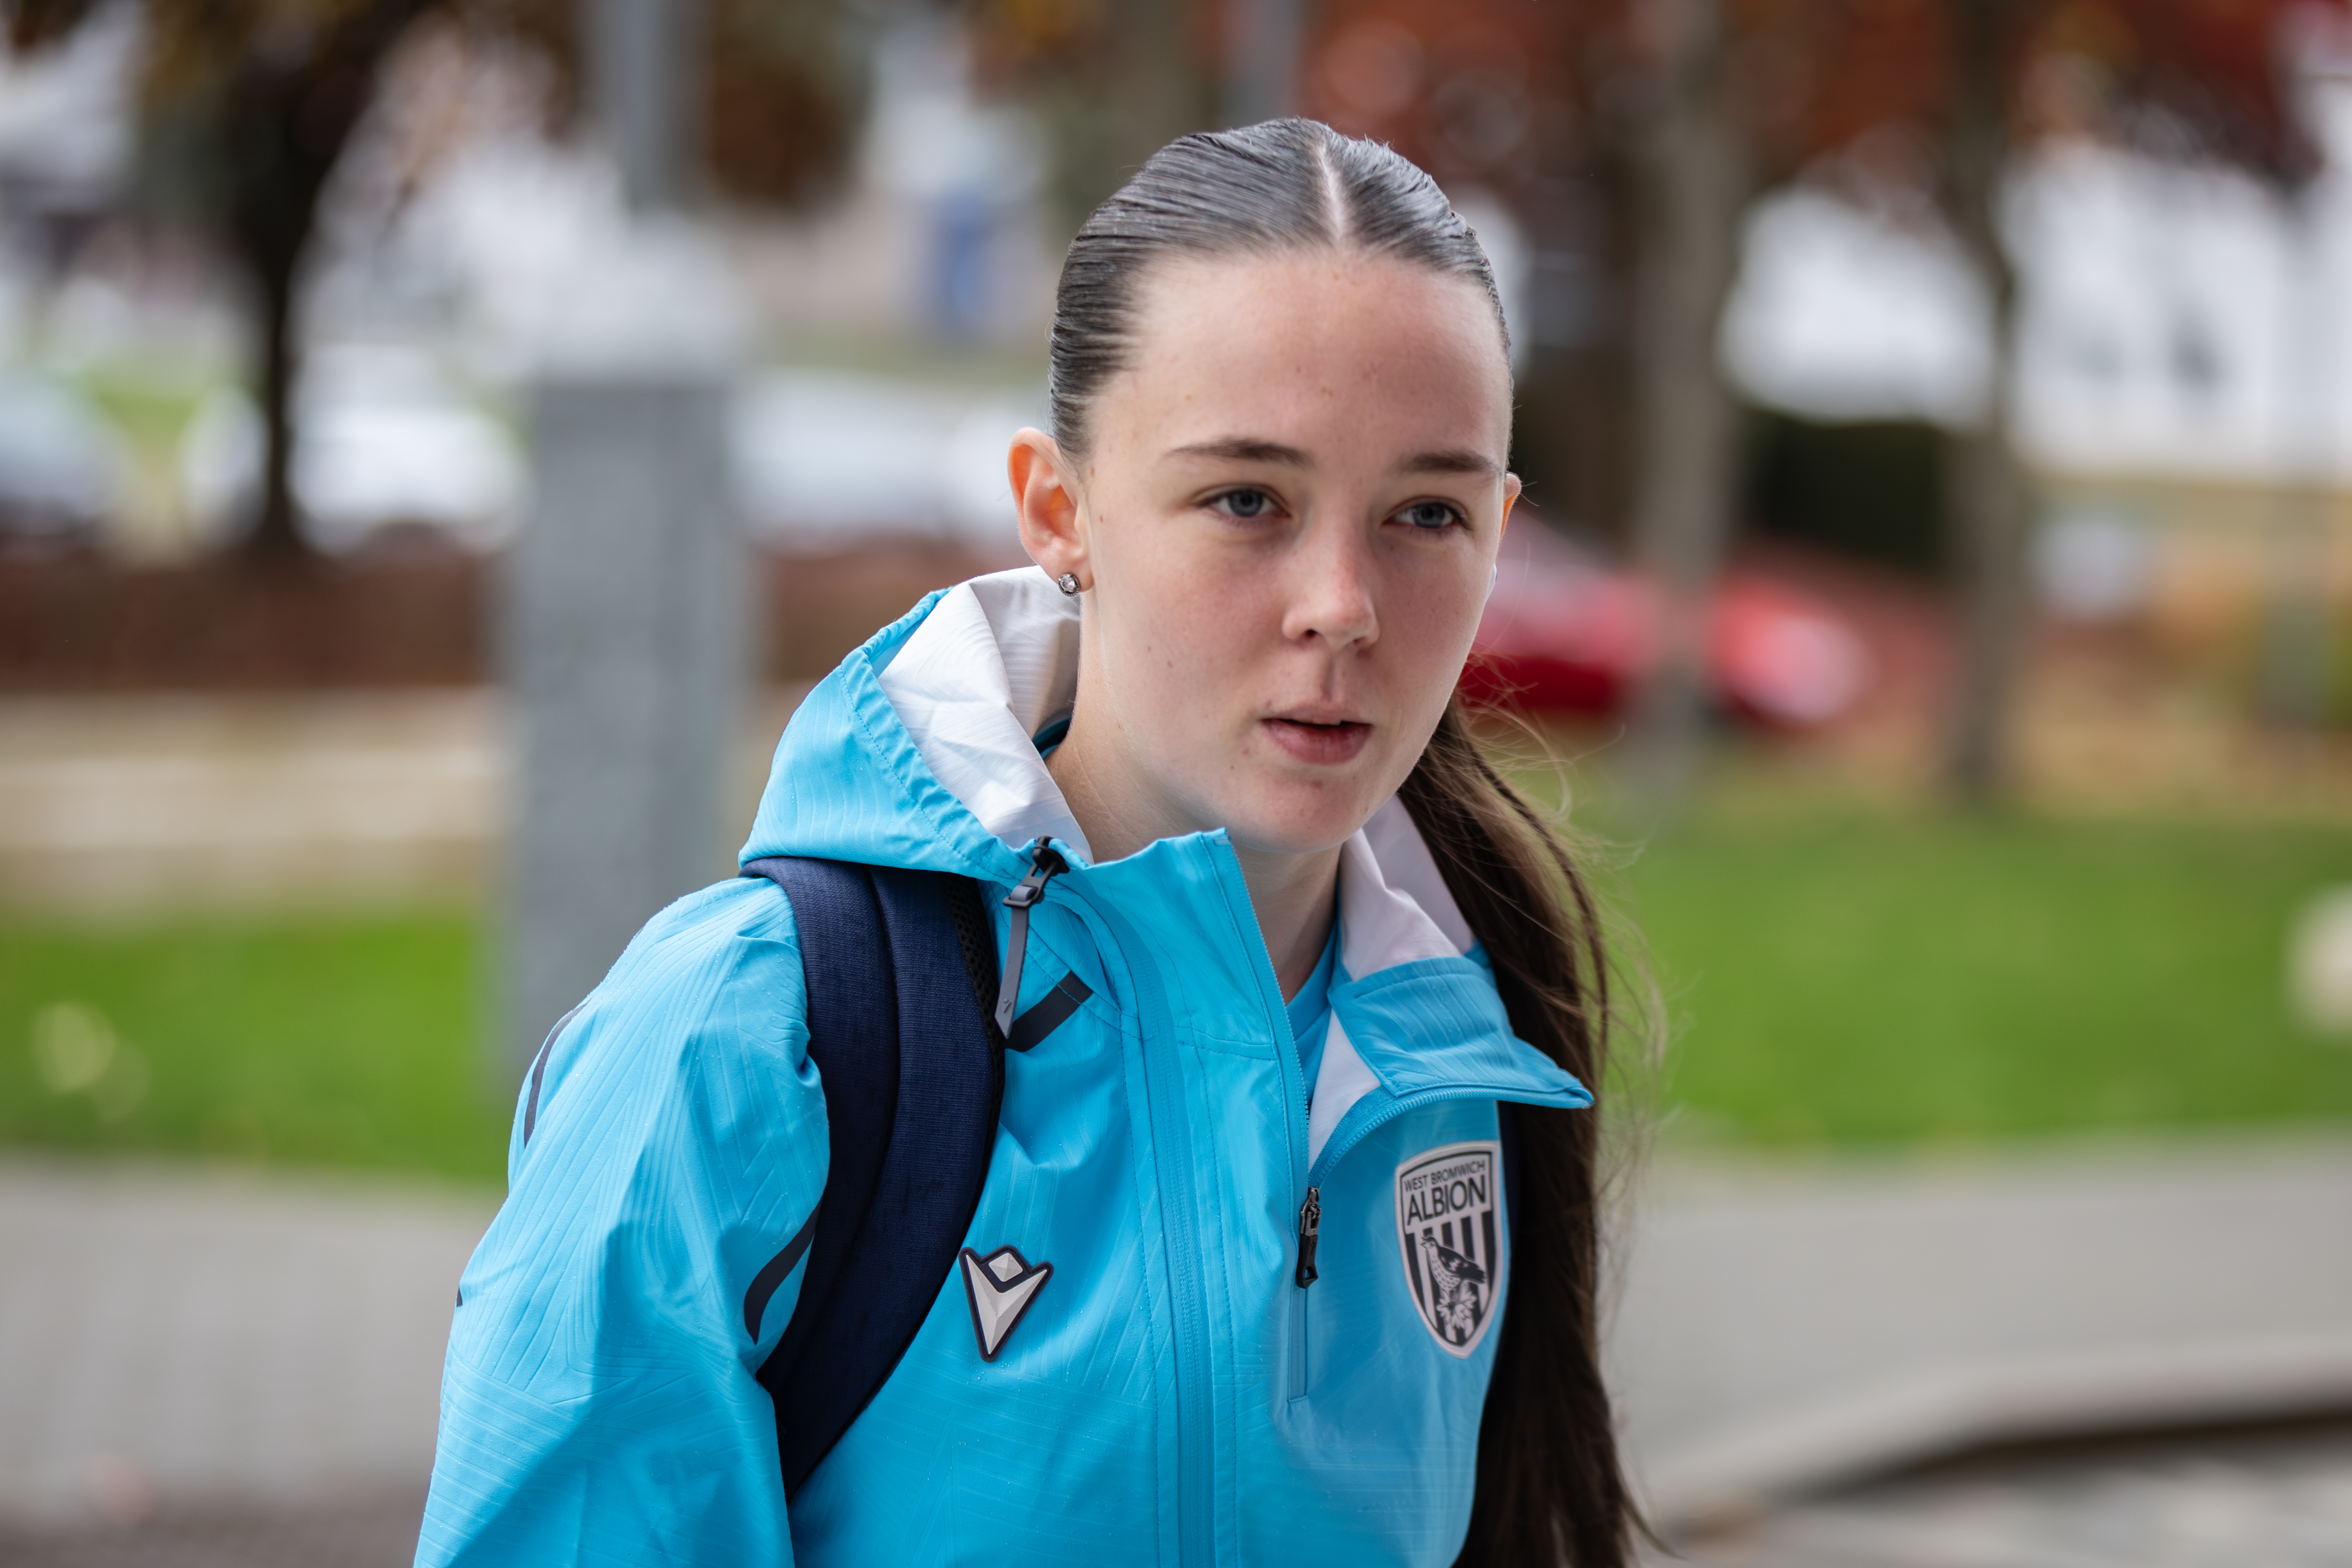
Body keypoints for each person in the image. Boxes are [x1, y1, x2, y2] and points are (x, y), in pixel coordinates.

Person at [418, 118, 1634, 1567]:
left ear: (1501, 527)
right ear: (1060, 513)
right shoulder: (741, 1047)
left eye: (1426, 513)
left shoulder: (1464, 1040)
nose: (1343, 606)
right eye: (1247, 500)